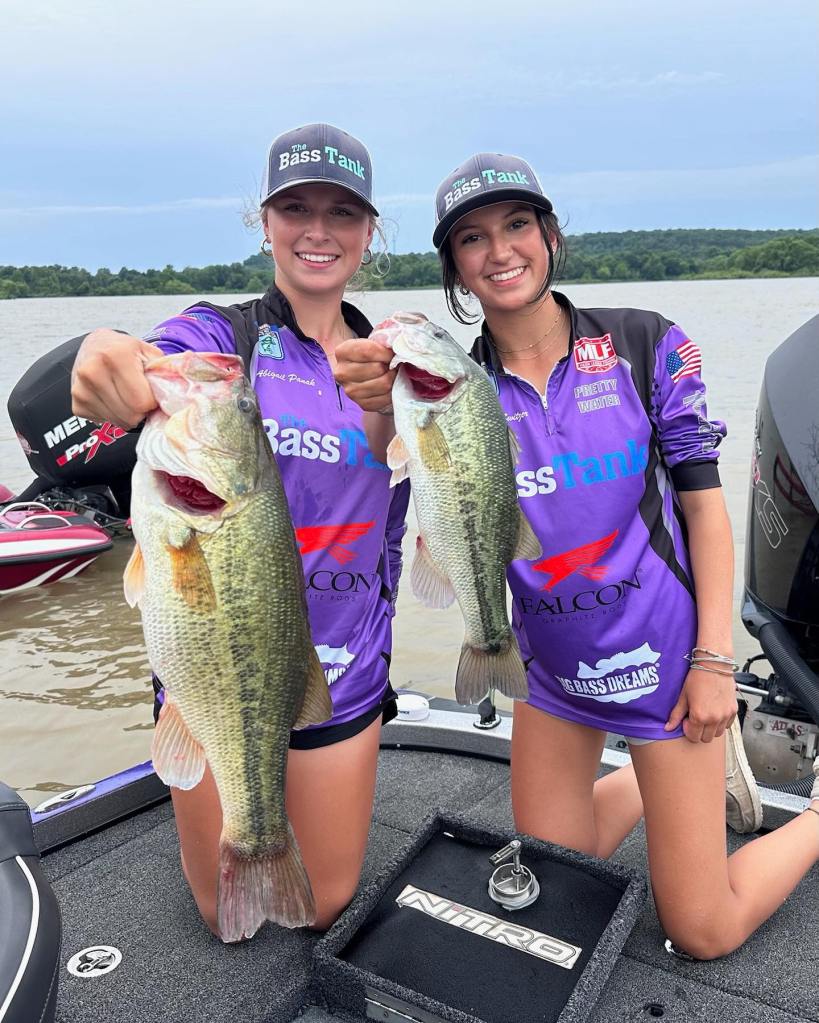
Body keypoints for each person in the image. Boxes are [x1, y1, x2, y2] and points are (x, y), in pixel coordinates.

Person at [334, 152, 819, 959]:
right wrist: (378, 403)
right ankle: (667, 779)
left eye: (516, 225)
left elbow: (703, 511)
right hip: (550, 676)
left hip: (665, 668)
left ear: (550, 236)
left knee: (700, 930)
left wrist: (712, 661)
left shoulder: (644, 343)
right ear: (454, 268)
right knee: (557, 880)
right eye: (472, 238)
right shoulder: (450, 387)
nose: (500, 250)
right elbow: (382, 484)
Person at [70, 123, 410, 935]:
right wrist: (107, 351)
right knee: (220, 908)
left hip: (340, 663)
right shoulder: (225, 337)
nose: (318, 230)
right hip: (215, 661)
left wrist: (404, 399)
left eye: (341, 212)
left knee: (325, 902)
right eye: (295, 209)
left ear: (370, 231)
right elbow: (151, 359)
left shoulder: (385, 366)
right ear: (264, 223)